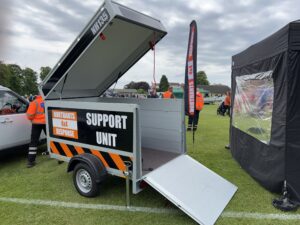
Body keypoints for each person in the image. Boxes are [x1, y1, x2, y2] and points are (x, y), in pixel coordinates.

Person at [26, 95, 46, 168]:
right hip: (47, 122)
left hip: (36, 124)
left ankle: (31, 161)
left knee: (33, 142)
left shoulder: (34, 102)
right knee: (51, 139)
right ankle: (58, 157)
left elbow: (29, 115)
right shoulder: (46, 100)